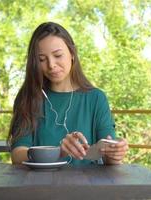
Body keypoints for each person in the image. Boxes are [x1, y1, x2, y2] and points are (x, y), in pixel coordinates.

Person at [7, 22, 128, 165]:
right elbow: (17, 155)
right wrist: (58, 152)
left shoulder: (96, 98)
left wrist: (115, 154)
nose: (51, 65)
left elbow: (108, 155)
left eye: (57, 55)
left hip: (88, 186)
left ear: (72, 53)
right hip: (40, 185)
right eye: (42, 59)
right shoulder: (28, 98)